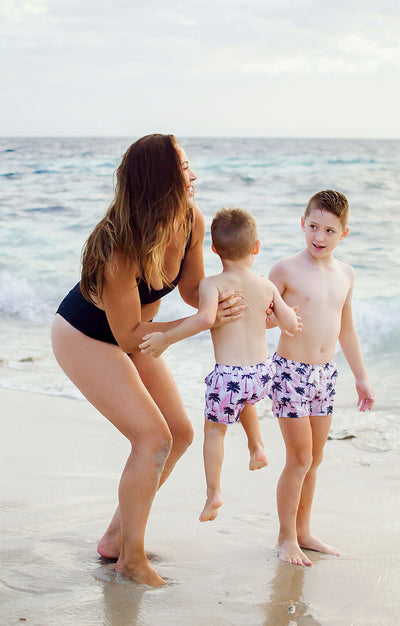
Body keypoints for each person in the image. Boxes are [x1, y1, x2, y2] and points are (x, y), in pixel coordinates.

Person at [51, 134, 245, 587]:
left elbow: (196, 294)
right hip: (85, 334)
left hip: (135, 333)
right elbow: (127, 334)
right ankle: (131, 561)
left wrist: (238, 298)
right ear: (160, 180)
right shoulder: (117, 246)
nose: (193, 176)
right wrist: (197, 325)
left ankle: (116, 540)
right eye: (183, 169)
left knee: (178, 433)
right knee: (152, 438)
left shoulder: (190, 220)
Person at [139, 208, 302, 522]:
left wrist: (165, 339)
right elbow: (284, 321)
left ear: (213, 249)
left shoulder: (211, 285)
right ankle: (257, 448)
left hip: (229, 376)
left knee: (215, 432)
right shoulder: (265, 284)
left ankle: (213, 493)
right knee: (247, 400)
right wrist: (291, 320)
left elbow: (204, 319)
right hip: (262, 374)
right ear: (256, 246)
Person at [267, 189, 375, 567]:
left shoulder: (346, 274)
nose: (319, 237)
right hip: (290, 373)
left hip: (325, 375)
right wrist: (278, 316)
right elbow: (260, 318)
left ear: (343, 233)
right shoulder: (285, 269)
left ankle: (304, 531)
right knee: (298, 458)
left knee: (314, 459)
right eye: (313, 226)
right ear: (302, 223)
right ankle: (285, 538)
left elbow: (347, 330)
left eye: (329, 230)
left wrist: (360, 377)